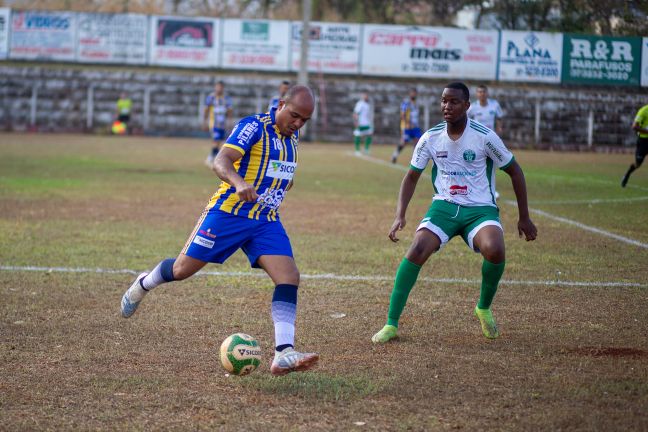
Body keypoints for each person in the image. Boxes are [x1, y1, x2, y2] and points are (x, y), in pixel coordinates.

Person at [122, 85, 319, 376]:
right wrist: (240, 184)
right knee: (181, 270)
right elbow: (221, 161)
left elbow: (278, 169)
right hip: (228, 214)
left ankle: (283, 352)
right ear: (279, 105)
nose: (299, 123)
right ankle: (143, 284)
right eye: (295, 116)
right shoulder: (253, 127)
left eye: (304, 119)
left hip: (265, 219)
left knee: (289, 276)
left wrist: (281, 183)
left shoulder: (293, 135)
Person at [372, 82, 537, 344]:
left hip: (480, 208)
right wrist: (400, 214)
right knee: (416, 249)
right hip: (444, 206)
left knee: (495, 248)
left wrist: (524, 216)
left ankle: (483, 307)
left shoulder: (485, 137)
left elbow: (515, 171)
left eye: (454, 102)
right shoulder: (430, 137)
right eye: (444, 101)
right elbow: (411, 177)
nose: (447, 106)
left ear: (467, 106)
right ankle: (391, 324)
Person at [203, 81, 233, 168]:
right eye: (218, 87)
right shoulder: (211, 97)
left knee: (220, 142)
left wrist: (230, 121)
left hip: (222, 124)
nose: (219, 89)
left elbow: (229, 110)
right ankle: (211, 159)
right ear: (215, 87)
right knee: (216, 141)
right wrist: (205, 122)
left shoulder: (226, 98)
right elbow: (206, 110)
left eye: (221, 87)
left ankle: (212, 158)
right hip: (214, 123)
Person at [391, 88, 422, 164]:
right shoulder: (406, 103)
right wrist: (408, 123)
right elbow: (403, 115)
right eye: (412, 93)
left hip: (416, 127)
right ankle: (395, 155)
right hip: (407, 127)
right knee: (404, 142)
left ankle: (414, 160)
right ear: (410, 94)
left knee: (418, 142)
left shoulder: (417, 104)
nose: (413, 94)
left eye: (415, 93)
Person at [621, 103, 648, 187]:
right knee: (638, 164)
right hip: (643, 141)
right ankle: (627, 174)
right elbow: (634, 126)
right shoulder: (643, 111)